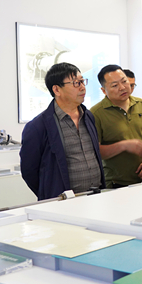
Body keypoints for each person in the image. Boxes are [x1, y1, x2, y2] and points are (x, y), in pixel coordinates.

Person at [20, 63, 105, 200]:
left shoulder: (88, 116)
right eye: (76, 83)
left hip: (95, 196)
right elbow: (29, 171)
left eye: (82, 81)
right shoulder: (38, 126)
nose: (82, 87)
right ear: (57, 89)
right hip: (63, 202)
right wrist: (50, 193)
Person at [91, 64, 142, 188]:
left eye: (124, 81)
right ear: (103, 90)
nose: (122, 87)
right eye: (115, 85)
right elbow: (95, 151)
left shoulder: (140, 104)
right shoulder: (96, 113)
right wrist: (124, 146)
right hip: (115, 183)